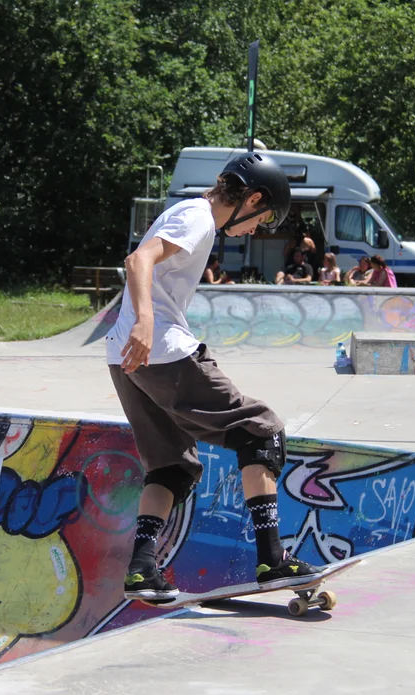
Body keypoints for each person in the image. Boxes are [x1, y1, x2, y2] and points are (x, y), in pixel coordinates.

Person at [107, 151, 323, 602]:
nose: (254, 231)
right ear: (253, 198)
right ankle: (272, 560)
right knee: (262, 432)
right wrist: (147, 321)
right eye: (260, 221)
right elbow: (138, 260)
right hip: (158, 349)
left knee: (173, 465)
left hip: (125, 357)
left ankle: (142, 569)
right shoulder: (198, 216)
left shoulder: (189, 214)